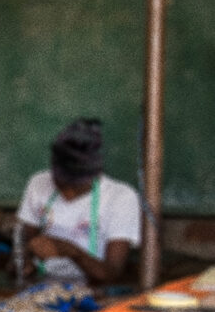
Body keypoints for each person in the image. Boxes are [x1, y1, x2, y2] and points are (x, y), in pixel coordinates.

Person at [16, 118, 140, 285]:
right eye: (60, 182)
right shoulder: (38, 183)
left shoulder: (121, 197)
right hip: (43, 285)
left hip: (95, 292)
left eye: (76, 185)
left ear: (96, 174)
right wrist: (25, 259)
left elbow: (112, 273)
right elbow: (24, 241)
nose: (68, 193)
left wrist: (71, 251)